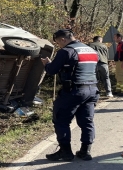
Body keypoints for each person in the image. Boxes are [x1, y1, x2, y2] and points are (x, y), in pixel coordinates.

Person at [42, 29, 99, 161]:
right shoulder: (90, 50)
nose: (59, 45)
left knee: (61, 120)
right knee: (87, 121)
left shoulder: (66, 51)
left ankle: (65, 152)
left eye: (58, 42)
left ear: (63, 39)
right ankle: (86, 151)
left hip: (74, 91)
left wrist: (47, 64)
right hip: (92, 89)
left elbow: (52, 70)